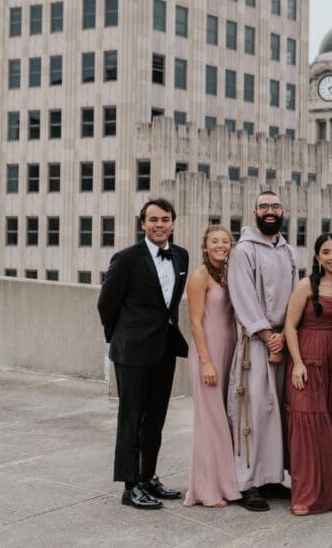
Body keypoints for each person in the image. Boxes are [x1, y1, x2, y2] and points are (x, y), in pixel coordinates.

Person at [97, 198, 189, 510]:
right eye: (153, 220)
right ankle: (129, 485)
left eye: (165, 219)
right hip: (132, 352)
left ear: (173, 223)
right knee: (131, 419)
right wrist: (120, 339)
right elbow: (106, 305)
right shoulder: (125, 259)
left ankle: (148, 476)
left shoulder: (182, 256)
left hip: (164, 350)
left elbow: (171, 304)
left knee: (156, 419)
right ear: (143, 224)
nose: (159, 224)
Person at [226, 191, 299, 512]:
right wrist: (269, 335)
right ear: (254, 212)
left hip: (284, 340)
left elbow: (296, 295)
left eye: (275, 206)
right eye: (264, 207)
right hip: (256, 342)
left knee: (277, 413)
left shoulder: (287, 251)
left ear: (282, 211)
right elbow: (242, 295)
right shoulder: (243, 251)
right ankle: (247, 483)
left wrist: (286, 334)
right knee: (252, 413)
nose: (270, 211)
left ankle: (270, 478)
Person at [284, 233, 332, 515]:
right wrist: (298, 363)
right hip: (309, 360)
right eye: (326, 252)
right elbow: (290, 326)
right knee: (306, 424)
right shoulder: (306, 286)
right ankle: (305, 494)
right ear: (317, 258)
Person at [184, 226, 242, 508]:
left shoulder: (229, 273)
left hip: (229, 349)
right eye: (214, 241)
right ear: (204, 246)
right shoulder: (199, 277)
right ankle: (206, 490)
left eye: (225, 241)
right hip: (207, 353)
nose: (220, 245)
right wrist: (206, 361)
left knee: (225, 419)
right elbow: (195, 322)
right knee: (210, 423)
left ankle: (225, 483)